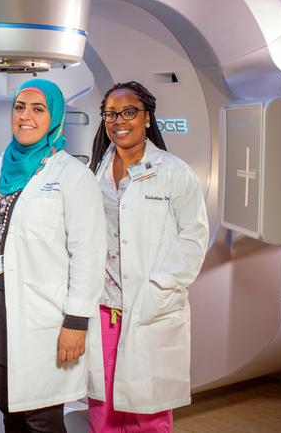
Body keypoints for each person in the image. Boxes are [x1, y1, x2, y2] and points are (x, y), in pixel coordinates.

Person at [0, 78, 106, 433]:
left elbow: (88, 254)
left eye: (38, 109)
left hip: (45, 314)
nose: (25, 116)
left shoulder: (73, 176)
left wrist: (76, 322)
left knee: (41, 417)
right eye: (20, 107)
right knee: (9, 409)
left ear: (54, 118)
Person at [86, 81, 209, 432]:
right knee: (104, 411)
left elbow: (193, 238)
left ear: (147, 117)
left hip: (149, 307)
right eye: (111, 113)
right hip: (104, 308)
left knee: (148, 416)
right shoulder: (95, 173)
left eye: (129, 112)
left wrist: (160, 286)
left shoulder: (174, 172)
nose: (119, 120)